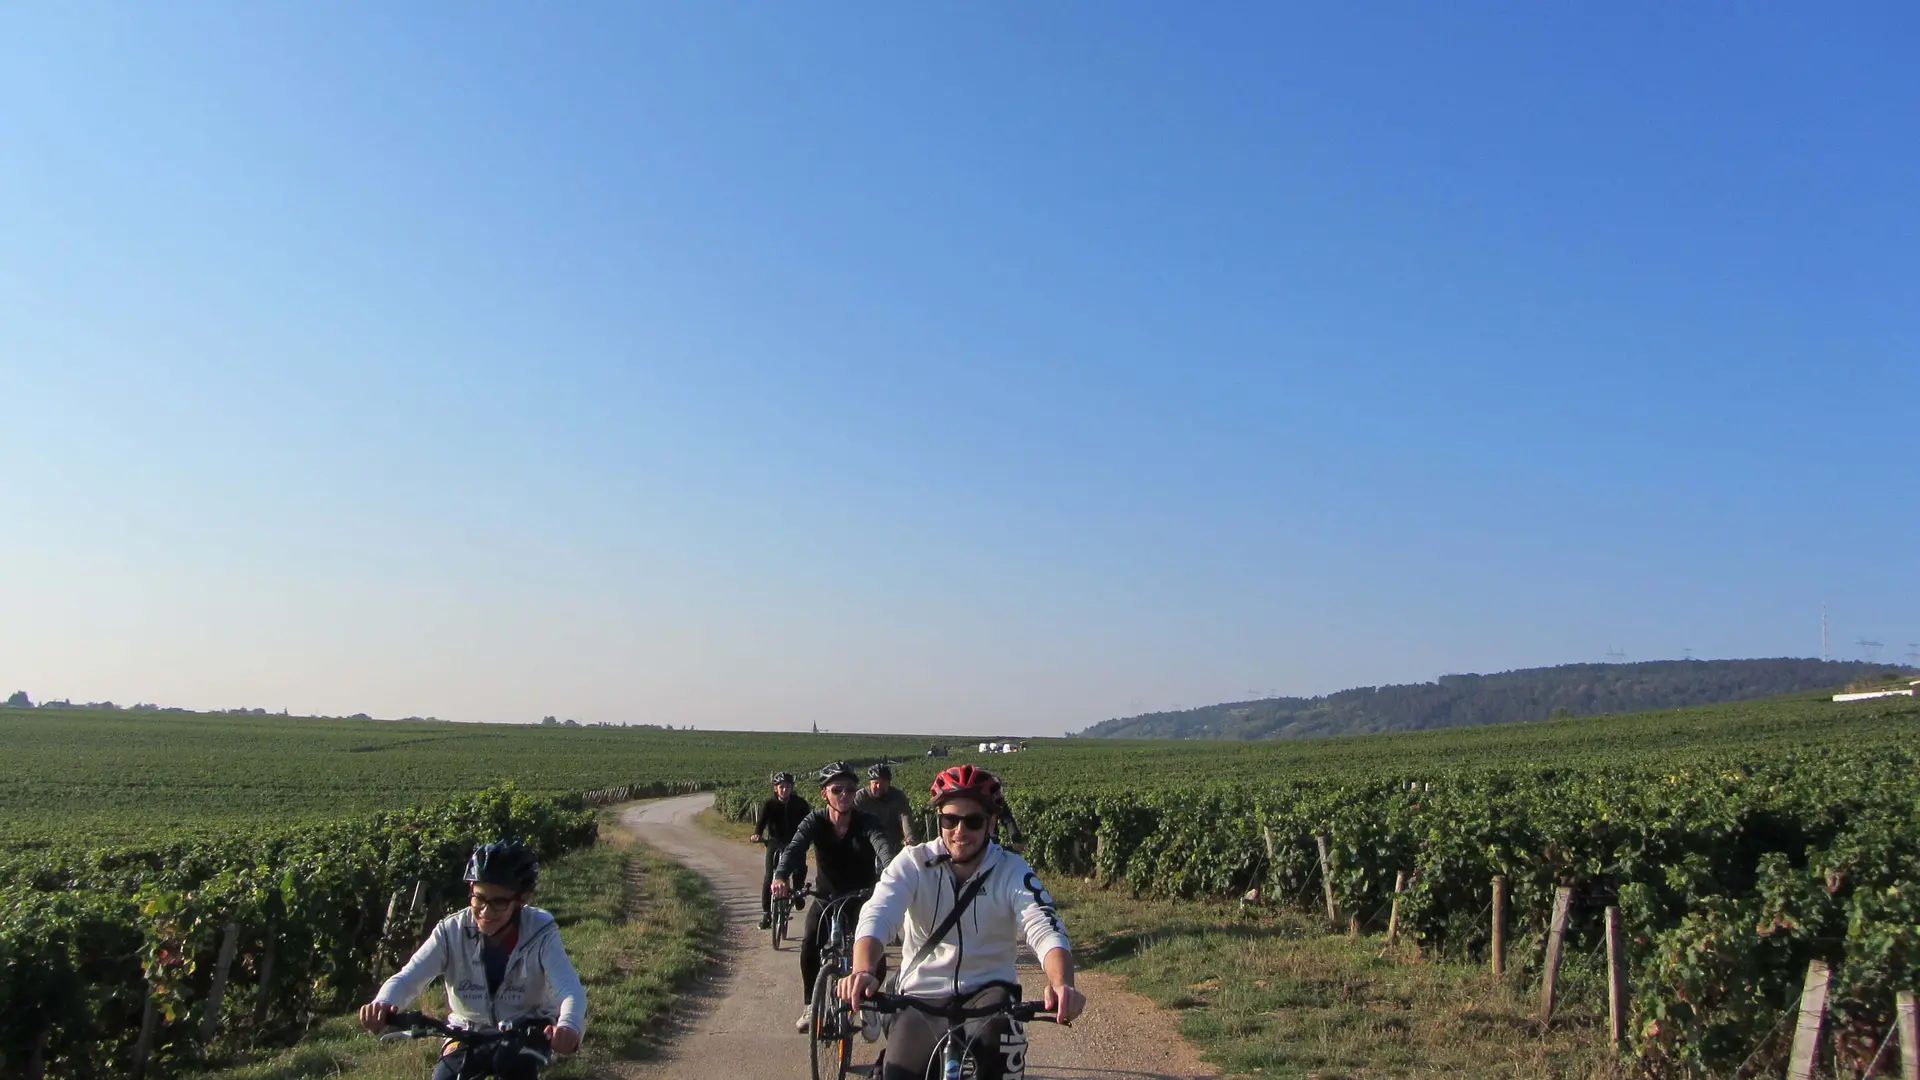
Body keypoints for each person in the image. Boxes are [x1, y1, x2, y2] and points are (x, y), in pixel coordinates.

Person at [837, 764, 1086, 1080]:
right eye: (949, 820)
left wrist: (1062, 983)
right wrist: (862, 970)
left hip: (990, 993)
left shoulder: (1011, 869)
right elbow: (878, 915)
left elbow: (1044, 925)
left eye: (973, 821)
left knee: (1002, 1052)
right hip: (920, 994)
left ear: (991, 824)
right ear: (938, 820)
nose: (959, 831)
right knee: (899, 1072)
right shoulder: (913, 863)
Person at [360, 840, 586, 1080]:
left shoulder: (540, 931)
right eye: (479, 898)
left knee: (515, 1070)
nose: (486, 912)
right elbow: (409, 977)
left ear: (522, 899)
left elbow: (570, 989)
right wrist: (383, 1003)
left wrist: (568, 1026)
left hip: (527, 1028)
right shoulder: (451, 931)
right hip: (465, 1031)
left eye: (499, 902)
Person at [770, 761, 899, 1034]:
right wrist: (780, 876)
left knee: (873, 949)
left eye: (850, 789)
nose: (844, 794)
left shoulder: (866, 821)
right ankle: (810, 1004)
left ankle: (869, 1004)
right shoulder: (814, 821)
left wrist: (893, 872)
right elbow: (795, 849)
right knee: (810, 942)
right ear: (824, 794)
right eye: (837, 789)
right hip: (825, 896)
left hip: (861, 896)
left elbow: (883, 847)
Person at [750, 771, 812, 930]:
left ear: (792, 788)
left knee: (799, 868)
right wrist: (757, 834)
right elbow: (761, 822)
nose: (784, 790)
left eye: (787, 787)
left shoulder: (800, 804)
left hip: (795, 842)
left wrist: (810, 837)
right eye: (781, 787)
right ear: (775, 789)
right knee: (770, 876)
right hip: (775, 842)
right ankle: (766, 913)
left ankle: (798, 892)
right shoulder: (769, 804)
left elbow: (809, 822)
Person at [853, 763, 919, 850]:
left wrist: (910, 838)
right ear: (869, 783)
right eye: (875, 783)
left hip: (892, 843)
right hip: (868, 844)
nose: (879, 786)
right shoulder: (861, 796)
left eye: (883, 783)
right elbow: (852, 819)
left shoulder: (897, 796)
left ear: (889, 783)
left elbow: (905, 816)